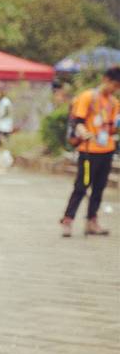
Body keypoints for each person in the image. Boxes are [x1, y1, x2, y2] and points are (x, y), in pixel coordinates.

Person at [60, 66, 120, 237]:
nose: (115, 89)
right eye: (115, 85)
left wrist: (115, 127)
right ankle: (67, 220)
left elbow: (112, 128)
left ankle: (91, 221)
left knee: (99, 188)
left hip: (107, 150)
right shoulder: (88, 97)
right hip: (88, 151)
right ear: (106, 80)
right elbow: (78, 121)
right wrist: (83, 131)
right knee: (81, 186)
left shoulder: (114, 102)